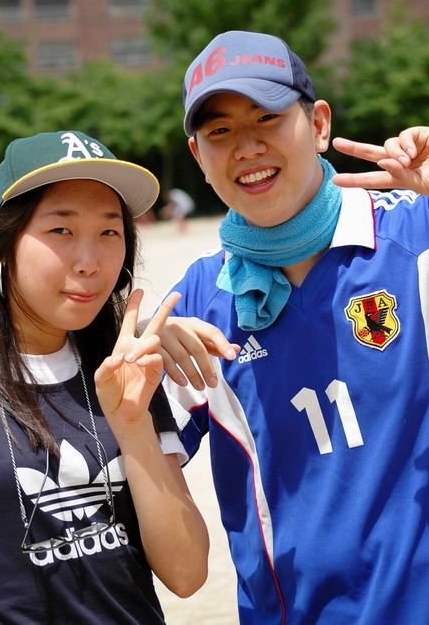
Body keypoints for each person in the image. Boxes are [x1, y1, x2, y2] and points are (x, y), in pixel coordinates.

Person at [156, 31, 429, 624]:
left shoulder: (416, 239)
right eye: (220, 131)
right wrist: (131, 385)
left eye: (268, 117)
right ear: (198, 156)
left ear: (319, 124)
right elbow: (132, 461)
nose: (247, 147)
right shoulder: (197, 301)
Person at [0, 130, 209, 625]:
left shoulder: (126, 369)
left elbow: (186, 574)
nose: (89, 263)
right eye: (61, 230)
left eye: (109, 233)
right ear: (1, 240)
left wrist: (133, 425)